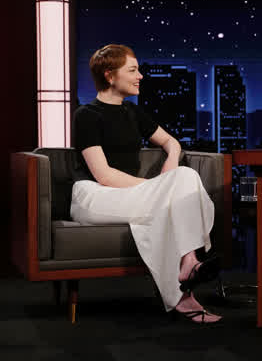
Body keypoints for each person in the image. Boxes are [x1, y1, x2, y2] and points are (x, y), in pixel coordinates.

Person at [70, 44, 221, 323]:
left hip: (129, 196)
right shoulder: (87, 115)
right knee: (181, 183)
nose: (140, 76)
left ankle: (186, 280)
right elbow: (104, 175)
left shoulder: (132, 112)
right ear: (110, 75)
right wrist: (158, 187)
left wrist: (171, 159)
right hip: (94, 195)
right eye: (132, 70)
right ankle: (189, 265)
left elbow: (170, 141)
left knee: (179, 183)